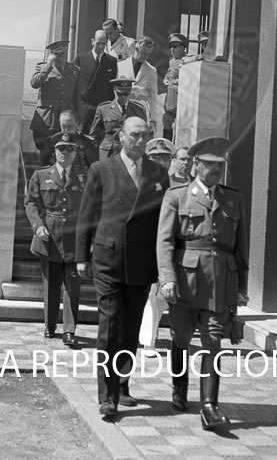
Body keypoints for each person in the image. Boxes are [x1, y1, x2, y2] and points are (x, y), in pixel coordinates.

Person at [76, 117, 169, 417]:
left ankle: (123, 381)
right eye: (134, 135)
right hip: (109, 260)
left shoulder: (158, 173)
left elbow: (163, 223)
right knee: (110, 327)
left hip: (142, 263)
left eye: (144, 136)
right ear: (121, 136)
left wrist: (164, 266)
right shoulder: (101, 170)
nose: (139, 141)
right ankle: (107, 395)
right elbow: (86, 215)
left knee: (131, 332)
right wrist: (81, 256)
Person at [157, 136, 249, 431]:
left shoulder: (233, 198)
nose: (215, 171)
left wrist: (240, 288)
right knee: (181, 338)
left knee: (213, 341)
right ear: (195, 164)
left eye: (219, 166)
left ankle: (210, 406)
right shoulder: (177, 196)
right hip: (186, 280)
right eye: (209, 165)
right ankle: (179, 387)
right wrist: (167, 278)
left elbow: (240, 247)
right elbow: (165, 242)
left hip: (220, 280)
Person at [25, 132, 88, 348]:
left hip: (73, 237)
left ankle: (69, 330)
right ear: (55, 151)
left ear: (75, 152)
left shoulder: (85, 176)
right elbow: (31, 203)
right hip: (49, 236)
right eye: (61, 148)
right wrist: (37, 225)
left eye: (69, 149)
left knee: (73, 286)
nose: (65, 153)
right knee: (50, 285)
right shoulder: (42, 175)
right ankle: (50, 325)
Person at [30, 39, 80, 166]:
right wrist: (48, 66)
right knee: (46, 156)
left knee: (65, 154)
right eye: (57, 55)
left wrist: (80, 120)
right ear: (51, 55)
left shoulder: (74, 70)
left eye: (63, 54)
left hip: (65, 121)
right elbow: (34, 84)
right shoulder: (42, 67)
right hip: (46, 121)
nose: (60, 58)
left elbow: (78, 97)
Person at [89, 77, 147, 159]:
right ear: (114, 91)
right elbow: (94, 135)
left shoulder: (139, 109)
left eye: (126, 94)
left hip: (131, 151)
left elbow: (144, 133)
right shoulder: (103, 109)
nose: (123, 97)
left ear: (130, 92)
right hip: (109, 153)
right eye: (119, 94)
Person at [117, 35, 162, 137]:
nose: (146, 57)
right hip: (124, 106)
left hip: (141, 110)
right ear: (137, 49)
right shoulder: (120, 66)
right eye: (144, 53)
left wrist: (154, 118)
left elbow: (153, 96)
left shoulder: (151, 70)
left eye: (148, 54)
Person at [74, 30, 118, 133]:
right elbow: (75, 86)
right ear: (92, 41)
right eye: (98, 43)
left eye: (103, 44)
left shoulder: (111, 61)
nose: (101, 47)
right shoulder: (81, 59)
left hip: (102, 109)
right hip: (84, 109)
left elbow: (111, 89)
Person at [163, 33, 188, 141]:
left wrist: (176, 81)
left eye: (175, 46)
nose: (172, 49)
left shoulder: (187, 60)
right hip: (170, 99)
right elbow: (167, 76)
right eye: (171, 46)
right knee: (167, 123)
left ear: (183, 47)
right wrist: (166, 80)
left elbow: (188, 79)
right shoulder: (171, 61)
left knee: (179, 126)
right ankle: (167, 145)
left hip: (180, 99)